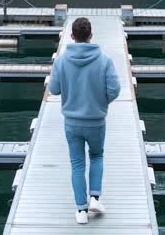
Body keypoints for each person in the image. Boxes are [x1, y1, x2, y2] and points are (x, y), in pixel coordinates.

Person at [48, 17, 122, 224]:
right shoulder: (104, 60)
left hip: (72, 122)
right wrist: (101, 102)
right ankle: (95, 198)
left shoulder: (61, 61)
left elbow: (53, 89)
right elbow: (115, 90)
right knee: (97, 157)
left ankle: (81, 211)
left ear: (72, 36)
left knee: (77, 164)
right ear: (90, 35)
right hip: (96, 121)